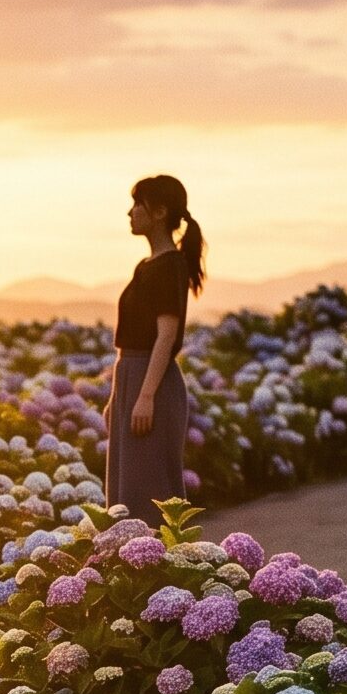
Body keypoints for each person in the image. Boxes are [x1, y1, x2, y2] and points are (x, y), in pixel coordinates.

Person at [106, 172, 205, 525]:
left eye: (138, 204)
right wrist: (117, 397)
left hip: (153, 382)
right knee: (125, 491)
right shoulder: (146, 267)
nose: (131, 212)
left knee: (148, 493)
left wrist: (145, 396)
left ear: (160, 212)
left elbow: (166, 335)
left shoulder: (170, 266)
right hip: (132, 378)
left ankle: (158, 572)